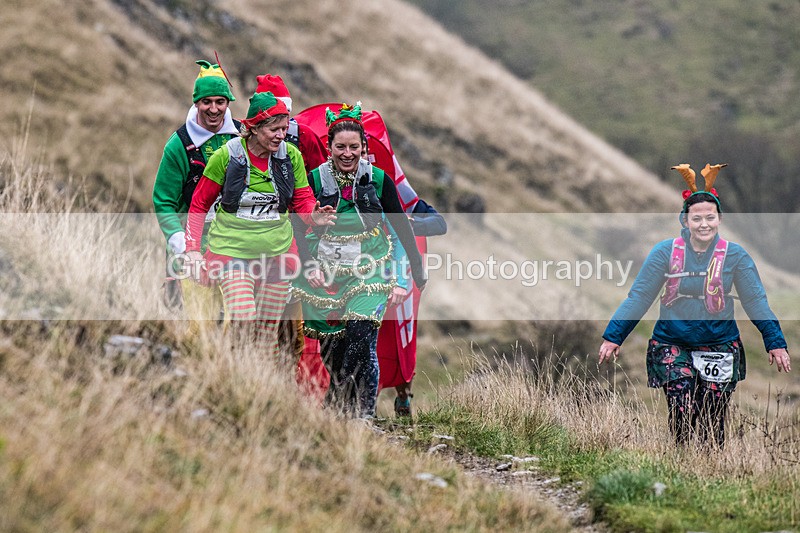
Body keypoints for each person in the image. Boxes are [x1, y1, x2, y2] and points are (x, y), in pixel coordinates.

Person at [598, 163, 791, 449]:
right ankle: (682, 459)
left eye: (710, 218)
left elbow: (755, 301)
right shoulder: (665, 252)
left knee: (713, 416)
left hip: (720, 345)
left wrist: (775, 342)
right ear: (685, 221)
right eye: (696, 218)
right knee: (682, 403)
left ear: (719, 219)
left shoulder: (735, 256)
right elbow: (639, 296)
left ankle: (710, 466)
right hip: (672, 342)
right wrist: (614, 336)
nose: (704, 224)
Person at [292, 102, 427, 418]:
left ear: (365, 148)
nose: (347, 153)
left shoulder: (380, 181)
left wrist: (416, 268)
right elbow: (297, 223)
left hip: (371, 267)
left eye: (354, 147)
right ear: (329, 147)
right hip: (325, 270)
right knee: (332, 345)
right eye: (340, 146)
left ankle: (363, 413)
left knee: (361, 334)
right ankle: (339, 404)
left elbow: (401, 226)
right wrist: (308, 261)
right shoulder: (313, 179)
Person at [183, 87, 335, 361]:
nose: (281, 135)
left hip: (278, 253)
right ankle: (231, 372)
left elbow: (301, 200)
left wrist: (315, 215)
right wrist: (193, 249)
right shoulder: (226, 156)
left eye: (284, 128)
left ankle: (256, 387)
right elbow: (198, 205)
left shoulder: (290, 157)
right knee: (243, 317)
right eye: (274, 129)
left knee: (266, 332)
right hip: (232, 252)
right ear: (253, 127)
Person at [245, 74, 329, 373]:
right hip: (255, 242)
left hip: (299, 240)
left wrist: (312, 218)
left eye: (285, 119)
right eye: (272, 123)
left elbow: (318, 185)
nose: (279, 131)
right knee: (256, 320)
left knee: (293, 328)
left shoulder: (303, 139)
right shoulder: (237, 149)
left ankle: (287, 387)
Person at [152, 59, 240, 338]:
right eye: (206, 102)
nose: (213, 109)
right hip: (193, 249)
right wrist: (180, 244)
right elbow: (163, 200)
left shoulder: (243, 136)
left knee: (235, 328)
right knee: (199, 330)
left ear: (228, 102)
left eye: (220, 101)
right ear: (196, 103)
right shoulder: (178, 145)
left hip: (237, 246)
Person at [380, 197, 447, 417]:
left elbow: (439, 223)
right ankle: (365, 399)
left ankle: (403, 398)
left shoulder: (393, 184)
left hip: (403, 275)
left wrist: (409, 224)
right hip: (366, 266)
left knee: (401, 336)